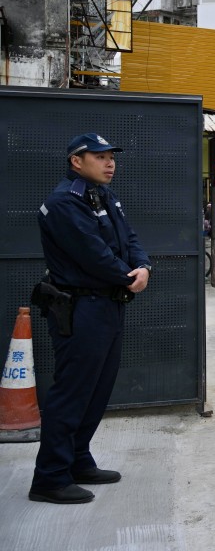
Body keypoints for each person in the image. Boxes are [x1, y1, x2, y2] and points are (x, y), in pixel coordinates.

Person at [29, 133, 152, 504]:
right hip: (82, 307)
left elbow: (128, 238)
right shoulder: (64, 203)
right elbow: (92, 254)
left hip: (108, 305)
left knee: (96, 391)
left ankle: (78, 461)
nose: (110, 162)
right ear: (76, 162)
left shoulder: (105, 197)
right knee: (72, 392)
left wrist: (142, 265)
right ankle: (49, 478)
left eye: (111, 156)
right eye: (99, 157)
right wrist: (128, 276)